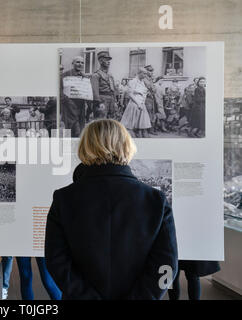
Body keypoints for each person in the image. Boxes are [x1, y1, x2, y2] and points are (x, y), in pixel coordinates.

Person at [45, 119, 178, 299]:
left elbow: (57, 261)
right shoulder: (155, 200)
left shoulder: (64, 198)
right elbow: (166, 264)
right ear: (126, 146)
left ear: (85, 147)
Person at [60, 56, 91, 137]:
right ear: (73, 63)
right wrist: (68, 102)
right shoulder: (65, 75)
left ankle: (77, 147)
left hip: (81, 107)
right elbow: (60, 91)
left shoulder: (85, 78)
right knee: (68, 131)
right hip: (68, 107)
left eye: (82, 62)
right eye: (77, 62)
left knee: (80, 131)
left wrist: (89, 104)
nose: (80, 64)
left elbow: (87, 92)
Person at [120, 68, 152, 138]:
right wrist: (138, 103)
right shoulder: (133, 81)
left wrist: (142, 101)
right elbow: (130, 94)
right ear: (139, 73)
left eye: (146, 74)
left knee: (141, 123)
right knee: (131, 123)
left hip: (141, 103)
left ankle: (140, 135)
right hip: (135, 104)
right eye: (144, 73)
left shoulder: (142, 82)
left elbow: (144, 92)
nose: (145, 75)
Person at [91, 51, 118, 120]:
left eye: (109, 60)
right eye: (106, 60)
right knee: (101, 121)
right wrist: (99, 103)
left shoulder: (110, 76)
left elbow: (113, 89)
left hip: (111, 99)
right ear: (100, 61)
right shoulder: (96, 75)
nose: (109, 62)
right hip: (102, 99)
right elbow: (95, 92)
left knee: (111, 121)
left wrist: (115, 101)